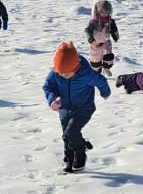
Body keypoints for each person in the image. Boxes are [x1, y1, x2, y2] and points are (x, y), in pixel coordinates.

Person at [43, 41, 111, 173]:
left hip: (83, 108)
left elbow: (101, 81)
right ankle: (69, 160)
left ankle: (80, 153)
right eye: (61, 73)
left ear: (76, 67)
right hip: (64, 109)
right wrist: (52, 100)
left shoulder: (86, 73)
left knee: (71, 132)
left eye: (68, 74)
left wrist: (105, 93)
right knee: (66, 136)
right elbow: (48, 87)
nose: (64, 76)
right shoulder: (55, 73)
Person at [85, 0, 118, 72]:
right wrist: (90, 39)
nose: (104, 14)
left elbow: (113, 29)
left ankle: (106, 68)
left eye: (106, 12)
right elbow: (87, 30)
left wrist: (115, 36)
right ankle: (97, 72)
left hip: (106, 42)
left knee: (109, 56)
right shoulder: (94, 21)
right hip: (95, 43)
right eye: (102, 12)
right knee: (95, 62)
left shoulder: (110, 21)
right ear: (98, 11)